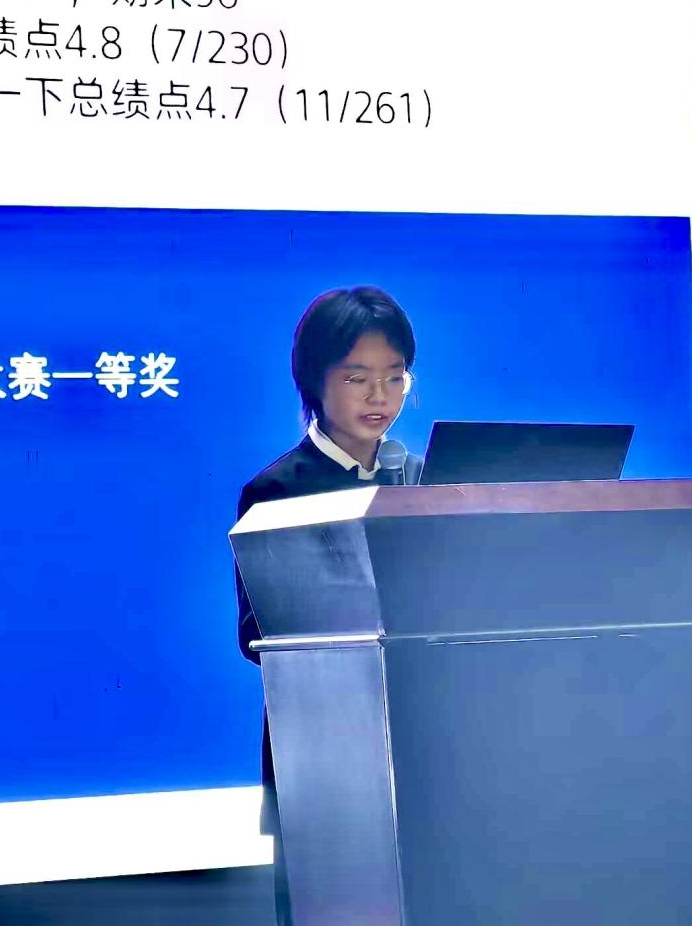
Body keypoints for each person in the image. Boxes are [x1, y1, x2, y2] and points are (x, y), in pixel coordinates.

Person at [234, 286, 422, 925]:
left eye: (395, 377)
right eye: (357, 378)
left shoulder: (423, 479)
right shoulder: (277, 489)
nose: (379, 396)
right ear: (315, 382)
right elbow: (254, 632)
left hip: (422, 742)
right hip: (321, 746)